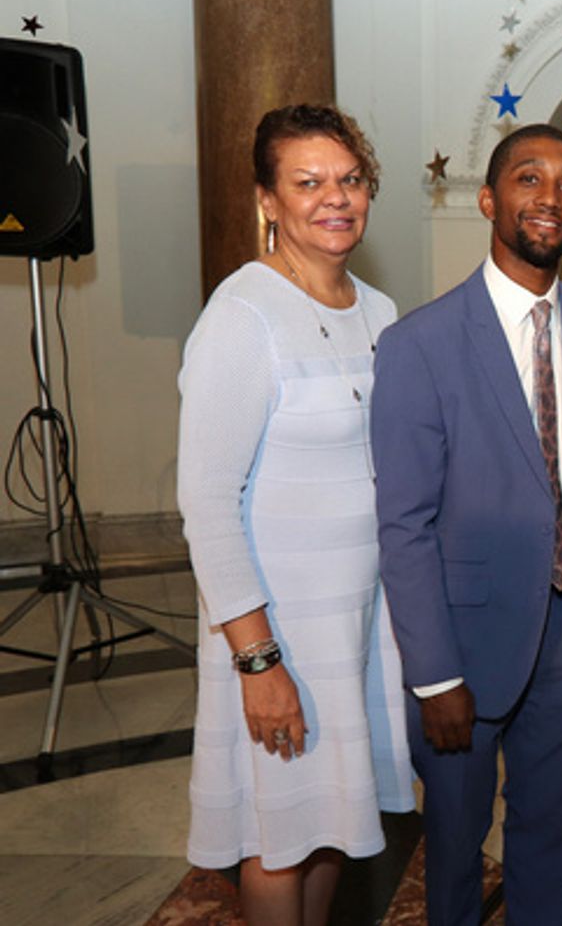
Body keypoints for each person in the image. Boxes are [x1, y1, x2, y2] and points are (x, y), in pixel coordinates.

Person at [371, 124, 562, 926]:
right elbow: (403, 524)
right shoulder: (419, 343)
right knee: (454, 856)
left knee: (555, 842)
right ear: (489, 199)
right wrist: (433, 675)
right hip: (461, 653)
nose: (551, 198)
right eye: (529, 179)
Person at [177, 104, 414, 926]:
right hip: (276, 633)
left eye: (349, 179)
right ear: (267, 201)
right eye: (307, 182)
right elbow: (207, 503)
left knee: (327, 832)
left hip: (357, 632)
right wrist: (257, 661)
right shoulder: (242, 316)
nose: (334, 198)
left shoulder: (381, 314)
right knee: (277, 839)